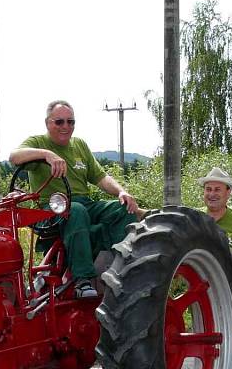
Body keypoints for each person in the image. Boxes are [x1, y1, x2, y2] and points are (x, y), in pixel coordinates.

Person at [9, 100, 143, 298]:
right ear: (48, 123)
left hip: (84, 203)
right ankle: (83, 280)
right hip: (52, 209)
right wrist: (47, 155)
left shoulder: (79, 145)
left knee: (123, 209)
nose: (66, 127)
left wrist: (121, 192)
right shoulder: (38, 143)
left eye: (70, 122)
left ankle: (124, 271)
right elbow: (14, 157)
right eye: (59, 122)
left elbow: (101, 177)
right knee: (76, 210)